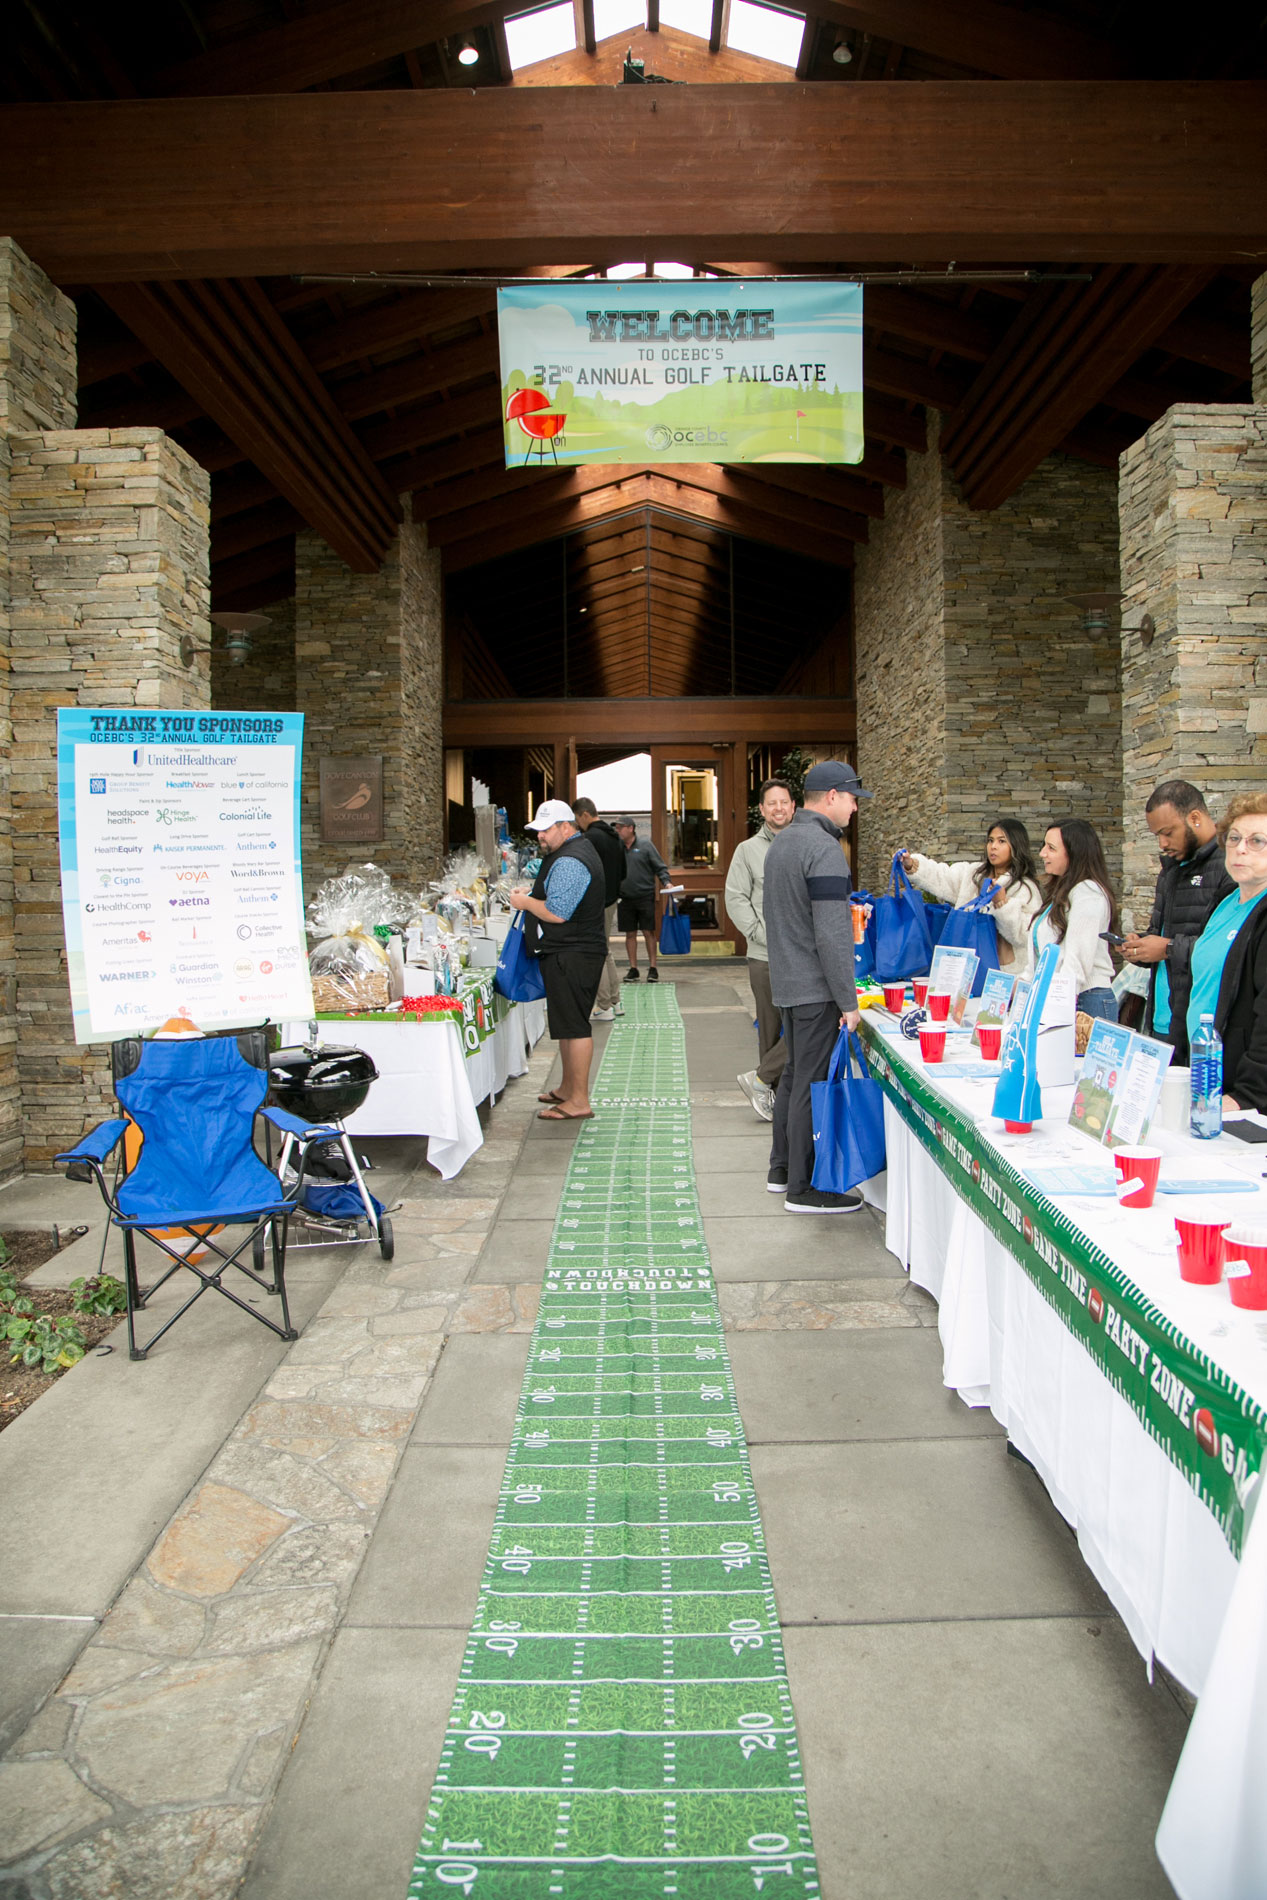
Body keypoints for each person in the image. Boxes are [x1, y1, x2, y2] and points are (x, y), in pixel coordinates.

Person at [764, 761, 868, 1214]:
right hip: (815, 988)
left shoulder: (783, 842)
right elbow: (831, 934)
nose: (854, 809)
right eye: (852, 799)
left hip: (789, 981)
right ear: (831, 796)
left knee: (793, 1076)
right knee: (810, 1082)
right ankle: (802, 1189)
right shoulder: (823, 848)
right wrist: (848, 1000)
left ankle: (782, 1169)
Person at [1120, 779, 1234, 1065]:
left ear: (1194, 818)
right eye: (1157, 835)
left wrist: (1168, 948)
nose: (1162, 844)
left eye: (1168, 833)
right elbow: (1160, 933)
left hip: (1202, 1027)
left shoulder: (1229, 866)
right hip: (1162, 1018)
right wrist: (1140, 948)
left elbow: (1229, 948)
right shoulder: (1170, 870)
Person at [509, 800, 608, 1121]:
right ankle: (568, 1089)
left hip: (573, 953)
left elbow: (556, 913)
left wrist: (525, 903)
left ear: (566, 827)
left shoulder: (570, 859)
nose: (540, 835)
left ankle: (579, 1100)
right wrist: (533, 894)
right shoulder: (571, 851)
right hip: (570, 951)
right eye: (537, 830)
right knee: (566, 1024)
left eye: (545, 829)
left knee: (575, 1027)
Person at [1187, 793, 1267, 1113]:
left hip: (1241, 1090)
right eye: (1234, 838)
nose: (1240, 848)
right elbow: (1198, 985)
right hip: (1203, 1071)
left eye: (1256, 841)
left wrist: (1249, 1095)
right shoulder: (1225, 900)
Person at [725, 777, 796, 1121]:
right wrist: (758, 933)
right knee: (769, 1029)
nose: (778, 808)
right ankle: (773, 1098)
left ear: (793, 806)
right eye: (772, 803)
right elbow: (735, 897)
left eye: (784, 802)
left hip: (801, 957)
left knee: (802, 1025)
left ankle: (760, 1079)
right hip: (764, 957)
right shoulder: (747, 850)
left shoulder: (804, 844)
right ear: (762, 809)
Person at [901, 818, 1042, 971]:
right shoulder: (973, 875)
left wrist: (1002, 904)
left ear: (1016, 845)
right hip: (963, 968)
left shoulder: (1025, 888)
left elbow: (1026, 936)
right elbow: (942, 876)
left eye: (1001, 841)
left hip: (1003, 974)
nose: (993, 846)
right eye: (990, 840)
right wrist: (912, 865)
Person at [1033, 818, 1120, 1021]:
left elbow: (1077, 960)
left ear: (1074, 853)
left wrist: (1058, 1005)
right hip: (1065, 996)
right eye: (1044, 846)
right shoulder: (1063, 892)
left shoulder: (1088, 893)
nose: (1042, 853)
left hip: (1084, 1000)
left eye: (1051, 848)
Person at [573, 796, 626, 1023]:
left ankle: (604, 1006)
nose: (577, 825)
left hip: (595, 904)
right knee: (605, 950)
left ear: (585, 814)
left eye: (577, 819)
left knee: (596, 953)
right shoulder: (615, 837)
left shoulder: (589, 839)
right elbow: (624, 871)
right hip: (611, 900)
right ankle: (615, 1001)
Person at [613, 816, 673, 983]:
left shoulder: (645, 845)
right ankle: (633, 969)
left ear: (631, 828)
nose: (618, 831)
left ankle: (653, 968)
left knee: (648, 932)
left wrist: (667, 882)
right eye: (616, 828)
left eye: (620, 827)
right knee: (630, 933)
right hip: (625, 897)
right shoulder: (617, 848)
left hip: (645, 895)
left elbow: (660, 867)